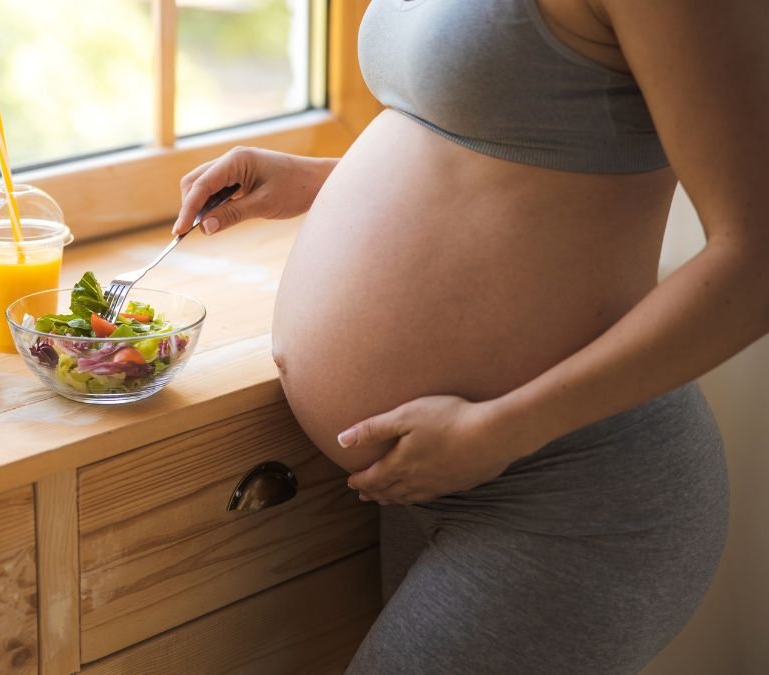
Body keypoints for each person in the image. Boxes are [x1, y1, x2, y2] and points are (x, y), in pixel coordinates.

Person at [171, 0, 768, 672]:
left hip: (568, 488)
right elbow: (509, 139)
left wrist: (503, 428)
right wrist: (317, 181)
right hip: (433, 473)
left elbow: (757, 258)